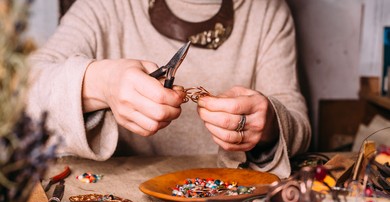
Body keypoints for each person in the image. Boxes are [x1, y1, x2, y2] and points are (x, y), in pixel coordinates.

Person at [27, 0, 311, 179]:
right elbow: (22, 93)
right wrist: (101, 83)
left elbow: (299, 123)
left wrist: (270, 123)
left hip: (228, 200)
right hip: (120, 201)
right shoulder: (103, 6)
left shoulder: (268, 12)